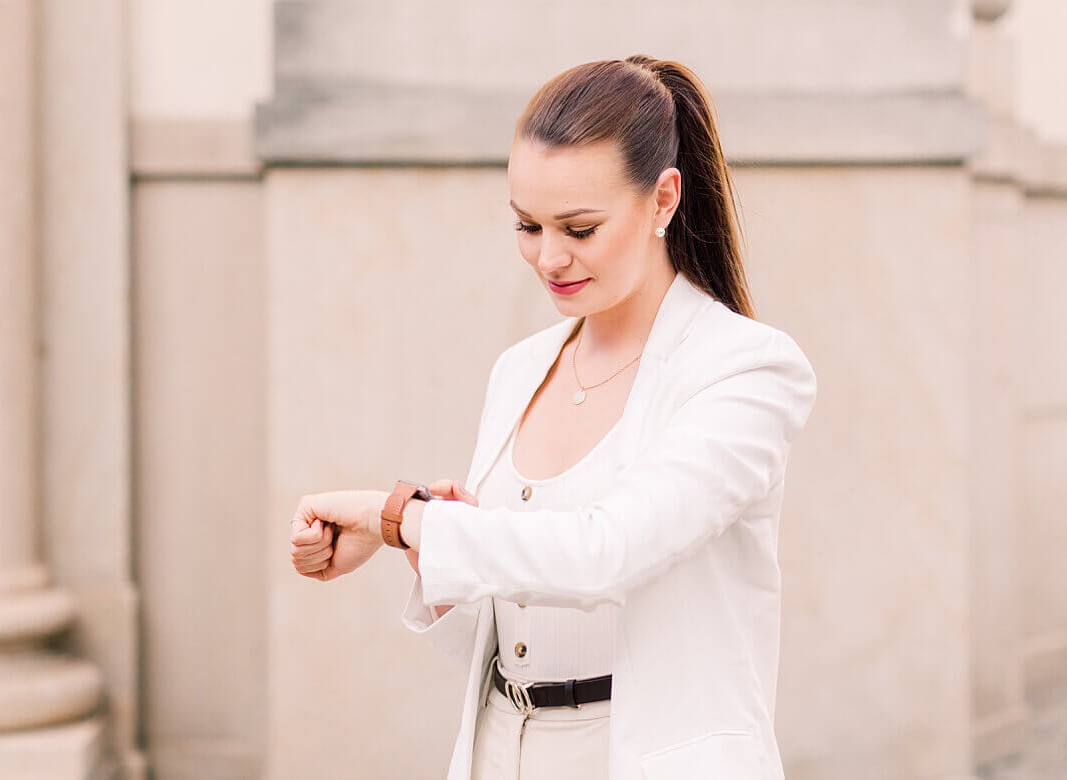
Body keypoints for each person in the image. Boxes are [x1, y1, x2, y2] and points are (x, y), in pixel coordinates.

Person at [289, 54, 818, 780]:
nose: (549, 257)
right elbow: (511, 635)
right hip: (503, 750)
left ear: (663, 199)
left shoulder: (745, 370)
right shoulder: (520, 369)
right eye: (527, 225)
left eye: (579, 227)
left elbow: (607, 553)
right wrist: (425, 551)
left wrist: (398, 518)